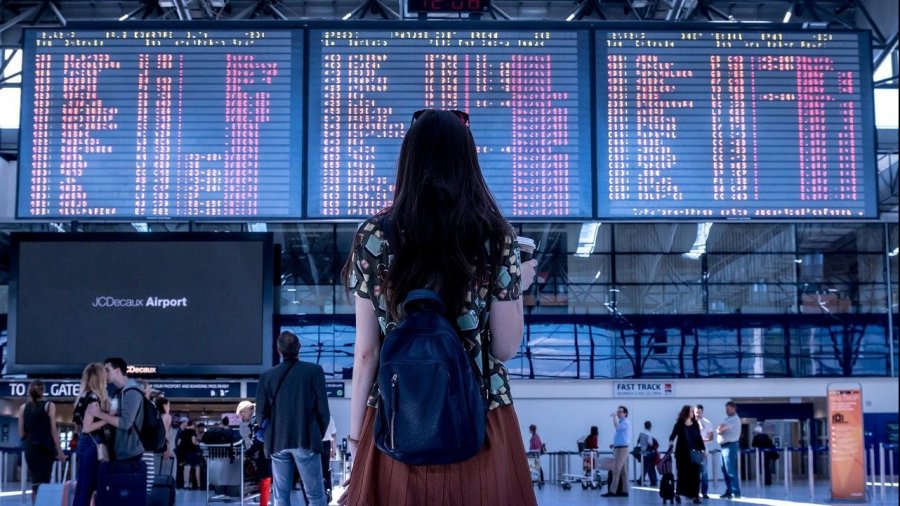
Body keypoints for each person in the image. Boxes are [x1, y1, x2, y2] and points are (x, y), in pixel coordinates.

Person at [339, 109, 539, 506]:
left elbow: (366, 353)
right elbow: (504, 347)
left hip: (397, 418)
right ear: (468, 162)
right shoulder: (496, 236)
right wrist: (516, 287)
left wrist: (358, 438)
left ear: (408, 160)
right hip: (481, 416)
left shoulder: (375, 235)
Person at [256, 330, 330, 506]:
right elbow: (323, 411)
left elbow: (260, 414)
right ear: (299, 348)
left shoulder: (267, 376)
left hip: (277, 442)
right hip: (306, 439)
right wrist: (315, 435)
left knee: (281, 496)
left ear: (278, 350)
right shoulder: (314, 371)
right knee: (315, 495)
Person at [86, 357, 148, 502]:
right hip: (121, 452)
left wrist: (99, 415)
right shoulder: (119, 392)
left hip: (129, 453)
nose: (104, 373)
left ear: (117, 370)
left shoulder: (132, 391)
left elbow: (126, 423)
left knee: (125, 496)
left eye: (106, 370)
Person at [17, 380, 66, 503]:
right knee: (43, 482)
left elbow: (21, 433)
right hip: (45, 449)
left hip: (30, 449)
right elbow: (53, 430)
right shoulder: (49, 405)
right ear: (43, 390)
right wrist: (59, 451)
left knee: (35, 482)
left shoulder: (23, 407)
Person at [72, 363, 110, 506]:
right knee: (89, 486)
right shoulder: (94, 398)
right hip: (93, 444)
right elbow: (88, 427)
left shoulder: (82, 397)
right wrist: (108, 418)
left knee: (82, 485)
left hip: (83, 442)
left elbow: (79, 426)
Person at [237, 400, 272, 506]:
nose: (243, 419)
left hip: (266, 453)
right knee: (267, 479)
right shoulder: (261, 415)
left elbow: (258, 440)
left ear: (245, 411)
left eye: (242, 415)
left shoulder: (256, 419)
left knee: (265, 479)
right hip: (271, 450)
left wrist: (247, 454)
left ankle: (263, 504)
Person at [669, 405, 705, 504]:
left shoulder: (695, 424)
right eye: (691, 411)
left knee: (695, 475)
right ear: (686, 412)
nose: (693, 413)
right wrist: (671, 441)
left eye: (693, 411)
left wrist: (703, 450)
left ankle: (695, 496)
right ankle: (678, 494)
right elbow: (673, 435)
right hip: (681, 454)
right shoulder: (680, 423)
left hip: (694, 453)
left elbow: (699, 437)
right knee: (681, 475)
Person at [602, 405, 631, 497]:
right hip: (619, 448)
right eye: (617, 412)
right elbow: (622, 437)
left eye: (620, 412)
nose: (618, 413)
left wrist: (614, 417)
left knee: (616, 470)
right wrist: (614, 444)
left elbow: (617, 428)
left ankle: (612, 491)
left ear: (625, 413)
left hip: (622, 450)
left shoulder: (625, 422)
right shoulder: (622, 422)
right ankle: (625, 491)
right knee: (623, 472)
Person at [716, 401, 742, 499]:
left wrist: (719, 429)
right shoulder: (728, 418)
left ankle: (736, 492)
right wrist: (719, 428)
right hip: (724, 447)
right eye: (726, 409)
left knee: (730, 470)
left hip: (730, 446)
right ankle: (729, 491)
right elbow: (719, 427)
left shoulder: (734, 419)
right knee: (725, 470)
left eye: (728, 409)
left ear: (734, 408)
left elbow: (721, 429)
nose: (726, 411)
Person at [694, 404, 715, 499]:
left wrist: (702, 440)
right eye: (696, 412)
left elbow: (711, 438)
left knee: (704, 473)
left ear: (703, 412)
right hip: (693, 452)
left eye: (699, 412)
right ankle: (693, 492)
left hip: (703, 452)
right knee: (693, 473)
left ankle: (704, 492)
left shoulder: (708, 423)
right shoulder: (690, 423)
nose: (698, 414)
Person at [176, 419, 202, 489]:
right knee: (197, 467)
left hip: (186, 452)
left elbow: (178, 443)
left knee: (186, 468)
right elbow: (193, 441)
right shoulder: (192, 431)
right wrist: (198, 443)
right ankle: (199, 485)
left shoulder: (183, 431)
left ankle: (186, 485)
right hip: (193, 452)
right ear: (192, 425)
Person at [154, 397, 174, 476]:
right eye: (168, 405)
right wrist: (167, 448)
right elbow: (165, 433)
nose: (169, 407)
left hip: (154, 444)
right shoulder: (167, 416)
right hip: (162, 445)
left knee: (155, 468)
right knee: (163, 470)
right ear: (164, 405)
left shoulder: (156, 415)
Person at [637, 421, 658, 487]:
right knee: (649, 467)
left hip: (643, 452)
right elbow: (650, 443)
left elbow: (638, 442)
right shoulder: (649, 434)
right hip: (648, 452)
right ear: (650, 426)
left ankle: (652, 481)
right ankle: (651, 481)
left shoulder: (641, 434)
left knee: (647, 467)